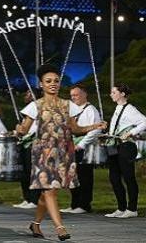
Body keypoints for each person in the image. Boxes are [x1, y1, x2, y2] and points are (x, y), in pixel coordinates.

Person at [16, 64, 106, 241]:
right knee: (49, 190)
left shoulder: (68, 105)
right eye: (48, 81)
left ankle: (36, 224)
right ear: (41, 84)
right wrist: (19, 129)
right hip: (42, 153)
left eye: (56, 81)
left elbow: (75, 129)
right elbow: (24, 129)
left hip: (64, 152)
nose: (53, 84)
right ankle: (60, 228)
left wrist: (95, 126)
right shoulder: (35, 106)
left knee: (51, 192)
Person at [104, 83, 146, 219]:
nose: (111, 94)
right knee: (114, 177)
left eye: (114, 92)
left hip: (126, 146)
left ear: (122, 94)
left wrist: (131, 133)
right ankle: (121, 208)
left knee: (128, 177)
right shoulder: (117, 108)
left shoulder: (130, 109)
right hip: (115, 146)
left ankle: (132, 209)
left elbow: (144, 121)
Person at [61, 84, 102, 214]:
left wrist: (82, 144)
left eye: (76, 95)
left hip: (84, 148)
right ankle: (74, 204)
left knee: (84, 176)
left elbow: (96, 129)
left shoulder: (91, 110)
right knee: (72, 176)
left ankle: (84, 205)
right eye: (72, 95)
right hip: (71, 145)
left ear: (85, 94)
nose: (74, 98)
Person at [13, 89, 40, 210]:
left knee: (32, 173)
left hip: (32, 144)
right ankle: (27, 198)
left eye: (29, 93)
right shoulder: (28, 110)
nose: (26, 95)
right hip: (24, 144)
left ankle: (34, 200)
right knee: (24, 173)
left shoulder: (36, 106)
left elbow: (26, 129)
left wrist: (19, 129)